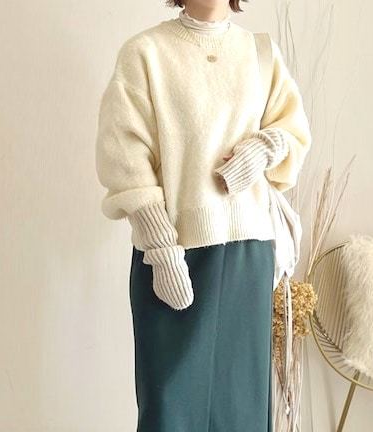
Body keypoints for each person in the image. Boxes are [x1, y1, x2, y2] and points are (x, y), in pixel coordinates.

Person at [95, 0, 312, 430]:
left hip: (249, 254)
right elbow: (125, 156)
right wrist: (160, 247)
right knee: (170, 408)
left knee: (241, 409)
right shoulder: (145, 53)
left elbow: (293, 130)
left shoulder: (260, 52)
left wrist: (264, 147)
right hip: (174, 254)